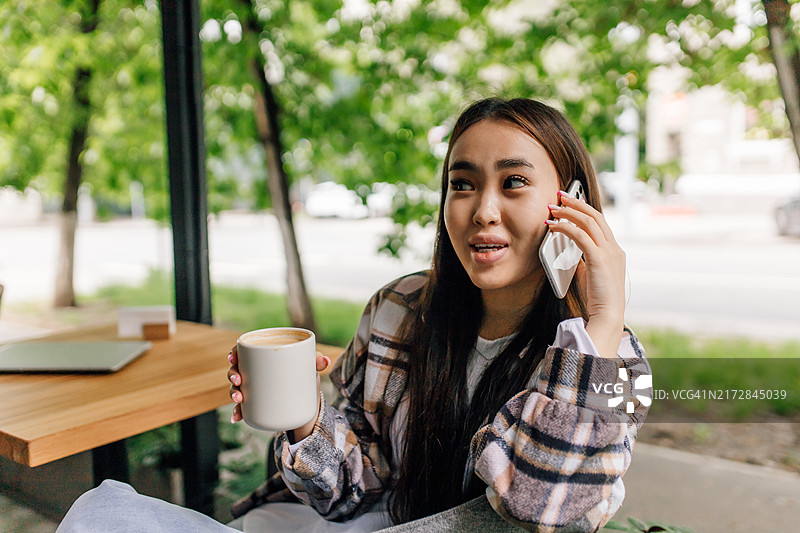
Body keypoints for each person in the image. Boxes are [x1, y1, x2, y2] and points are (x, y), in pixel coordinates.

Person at [57, 97, 650, 533]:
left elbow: (540, 507)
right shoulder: (398, 310)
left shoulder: (615, 363)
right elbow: (347, 493)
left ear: (569, 203)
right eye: (462, 184)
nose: (483, 211)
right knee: (102, 516)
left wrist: (600, 321)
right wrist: (305, 419)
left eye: (514, 182)